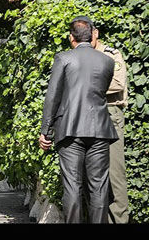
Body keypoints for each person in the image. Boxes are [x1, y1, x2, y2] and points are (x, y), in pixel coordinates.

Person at [38, 16, 118, 223]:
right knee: (99, 187)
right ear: (92, 36)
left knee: (72, 185)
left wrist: (45, 130)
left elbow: (53, 96)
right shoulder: (108, 62)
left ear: (71, 38)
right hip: (100, 129)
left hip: (70, 129)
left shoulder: (63, 58)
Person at [92, 26, 130, 223]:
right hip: (87, 113)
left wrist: (88, 84)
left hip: (110, 111)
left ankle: (120, 220)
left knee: (115, 173)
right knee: (92, 173)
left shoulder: (111, 55)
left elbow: (117, 83)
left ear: (96, 33)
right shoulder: (81, 55)